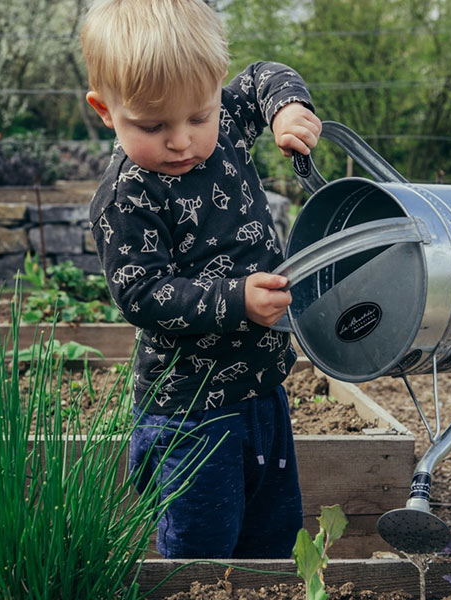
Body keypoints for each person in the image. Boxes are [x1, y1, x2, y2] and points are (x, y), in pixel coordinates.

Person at [81, 0, 322, 559]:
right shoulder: (129, 195)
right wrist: (234, 299)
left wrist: (287, 109)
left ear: (216, 92)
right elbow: (141, 292)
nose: (182, 141)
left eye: (198, 116)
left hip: (263, 387)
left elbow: (265, 75)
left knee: (272, 531)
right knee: (202, 548)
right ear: (104, 110)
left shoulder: (228, 122)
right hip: (190, 407)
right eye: (152, 125)